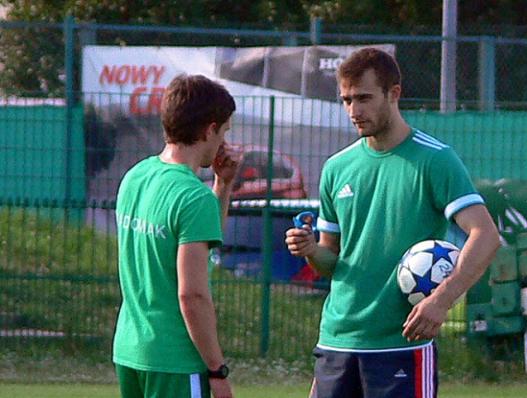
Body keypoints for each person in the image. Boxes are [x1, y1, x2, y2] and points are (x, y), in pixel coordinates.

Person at [285, 48, 500, 398]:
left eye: (364, 98)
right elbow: (332, 261)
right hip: (337, 341)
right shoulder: (337, 168)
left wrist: (441, 301)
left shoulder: (435, 159)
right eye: (346, 100)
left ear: (394, 94)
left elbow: (485, 235)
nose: (354, 110)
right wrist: (310, 251)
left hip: (401, 344)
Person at [113, 74, 241, 398]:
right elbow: (192, 295)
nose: (223, 142)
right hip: (175, 359)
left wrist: (222, 186)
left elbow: (202, 241)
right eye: (224, 131)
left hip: (131, 349)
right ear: (209, 129)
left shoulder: (136, 176)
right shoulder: (191, 196)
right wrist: (217, 369)